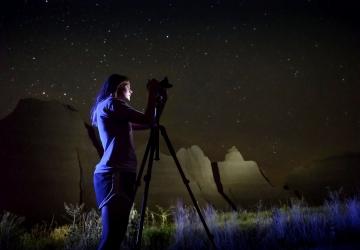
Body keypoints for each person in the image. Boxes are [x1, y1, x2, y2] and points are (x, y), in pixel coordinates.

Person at [90, 74, 159, 250]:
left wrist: (159, 99)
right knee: (112, 236)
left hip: (119, 173)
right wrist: (151, 93)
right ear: (117, 88)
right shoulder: (112, 104)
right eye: (128, 86)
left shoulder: (112, 109)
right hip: (116, 174)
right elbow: (147, 119)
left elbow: (149, 123)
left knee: (116, 236)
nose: (132, 91)